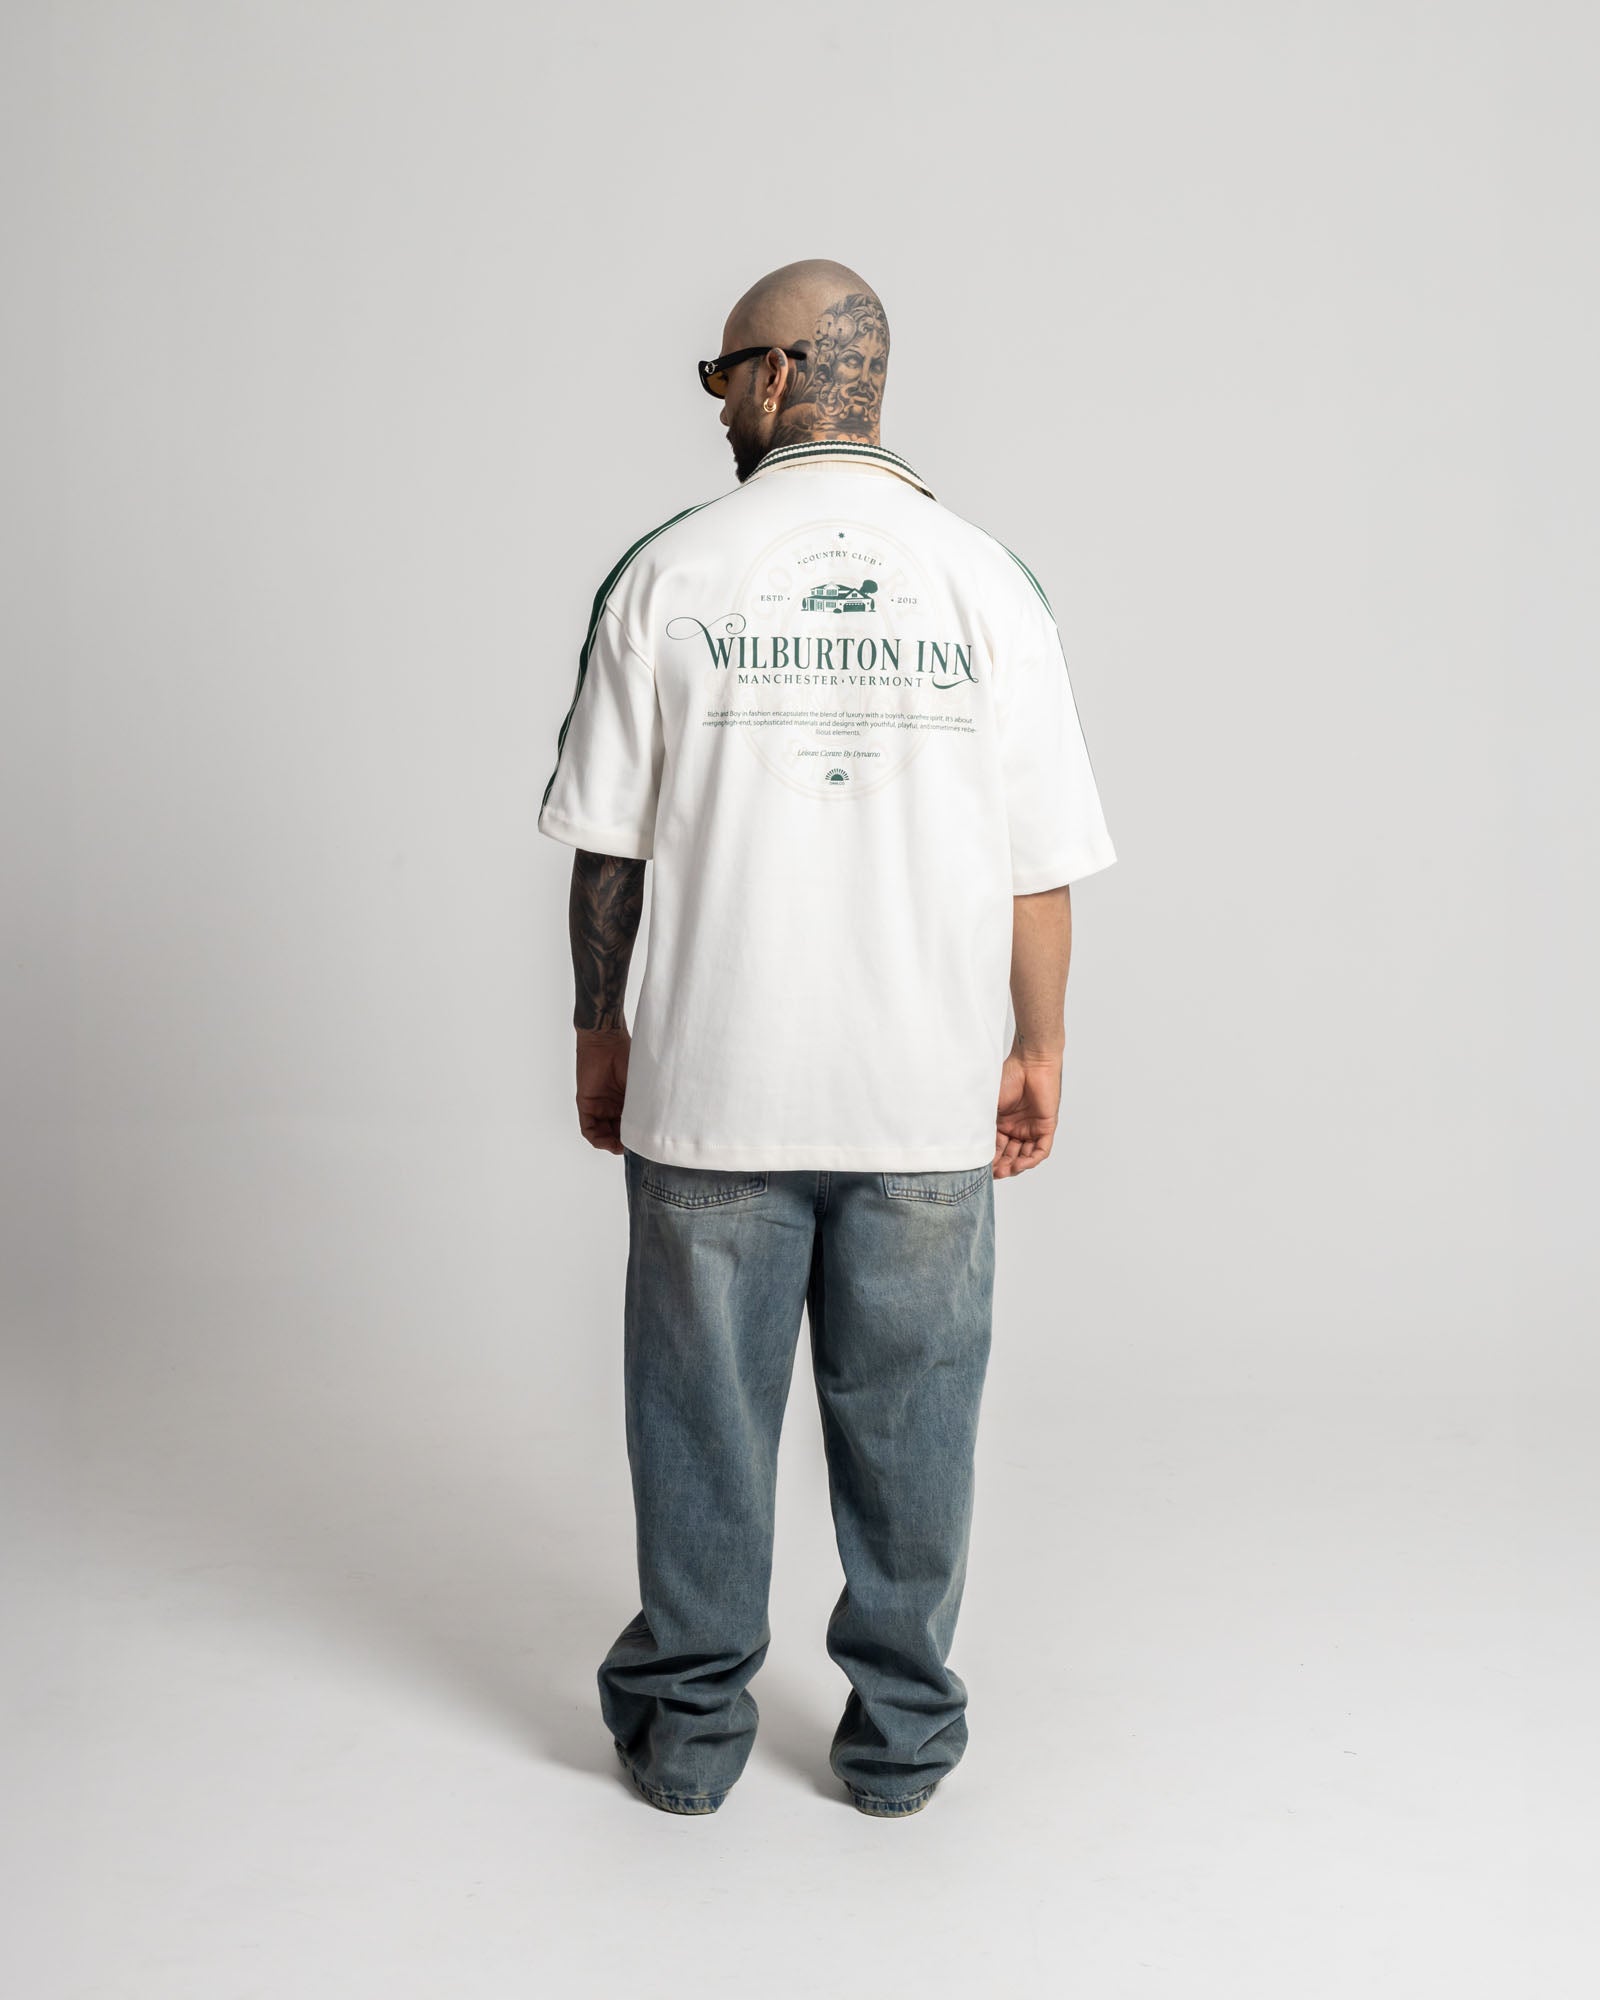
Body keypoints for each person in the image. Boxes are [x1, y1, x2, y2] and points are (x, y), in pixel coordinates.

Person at [537, 259, 1116, 1818]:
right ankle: (902, 1743)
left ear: (779, 375)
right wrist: (1038, 1046)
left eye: (722, 373)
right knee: (915, 1433)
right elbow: (1038, 867)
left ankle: (688, 1736)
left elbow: (610, 851)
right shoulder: (989, 583)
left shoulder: (669, 572)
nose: (717, 402)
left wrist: (601, 1031)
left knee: (700, 1429)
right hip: (924, 1095)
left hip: (714, 1084)